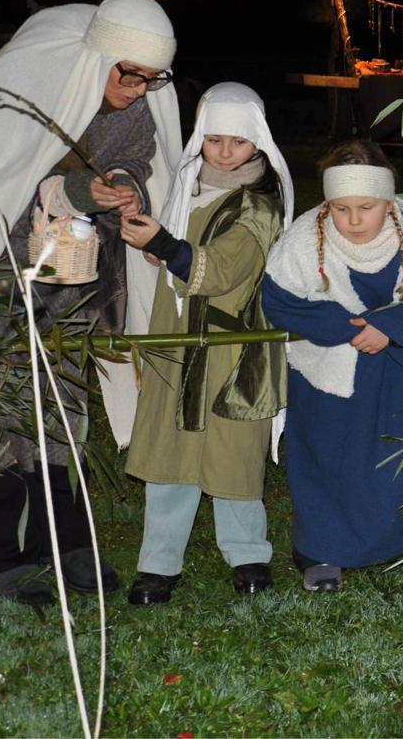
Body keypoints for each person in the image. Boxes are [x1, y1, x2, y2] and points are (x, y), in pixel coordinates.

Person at [0, 0, 182, 605]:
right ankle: (3, 549)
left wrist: (124, 185)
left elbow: (134, 155)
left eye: (153, 80)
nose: (140, 90)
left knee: (60, 402)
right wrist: (75, 190)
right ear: (99, 57)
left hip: (74, 278)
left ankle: (64, 537)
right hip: (1, 273)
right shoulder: (31, 86)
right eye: (131, 75)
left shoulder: (134, 103)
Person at [261, 139, 403, 591]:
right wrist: (347, 327)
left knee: (393, 457)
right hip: (326, 372)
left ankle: (401, 543)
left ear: (389, 202)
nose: (354, 220)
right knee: (326, 455)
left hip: (393, 368)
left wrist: (391, 327)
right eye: (341, 209)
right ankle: (321, 549)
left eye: (366, 208)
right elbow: (278, 299)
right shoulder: (306, 238)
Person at [119, 83, 295, 605]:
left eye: (237, 142)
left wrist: (166, 246)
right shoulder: (186, 187)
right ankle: (158, 562)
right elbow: (178, 252)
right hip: (177, 343)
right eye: (214, 139)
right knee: (170, 448)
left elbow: (221, 269)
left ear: (258, 142)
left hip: (230, 346)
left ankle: (248, 553)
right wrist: (160, 250)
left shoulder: (260, 205)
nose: (224, 152)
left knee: (232, 451)